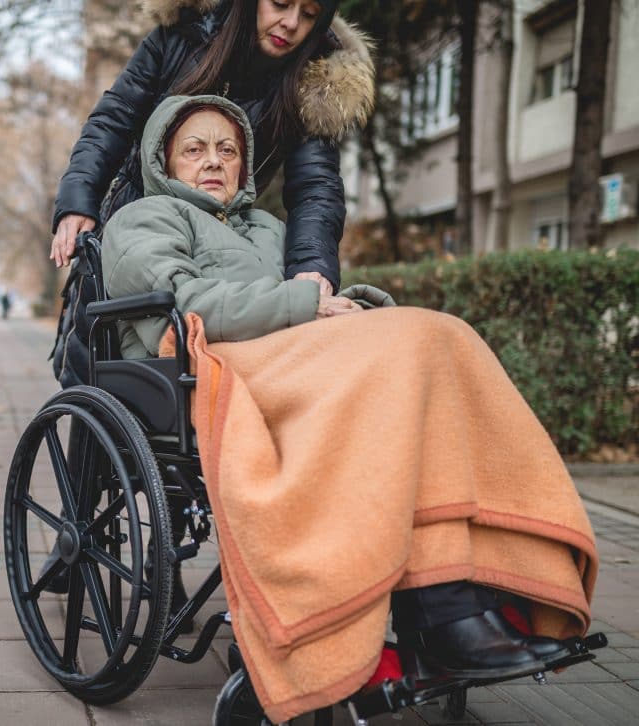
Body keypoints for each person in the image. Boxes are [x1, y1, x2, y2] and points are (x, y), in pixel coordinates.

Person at [101, 94, 595, 698]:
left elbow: (309, 297)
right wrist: (307, 304)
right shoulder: (144, 218)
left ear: (245, 163)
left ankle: (457, 602)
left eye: (227, 149)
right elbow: (184, 308)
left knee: (442, 335)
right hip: (209, 365)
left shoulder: (267, 226)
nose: (213, 160)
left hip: (293, 355)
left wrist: (348, 303)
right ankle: (443, 615)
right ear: (164, 159)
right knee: (417, 339)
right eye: (195, 149)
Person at [49, 0, 374, 383]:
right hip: (142, 222)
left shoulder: (316, 81)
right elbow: (113, 120)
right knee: (99, 369)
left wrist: (311, 269)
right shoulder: (182, 35)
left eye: (308, 14)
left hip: (227, 237)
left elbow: (316, 187)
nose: (290, 23)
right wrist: (78, 200)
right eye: (281, 4)